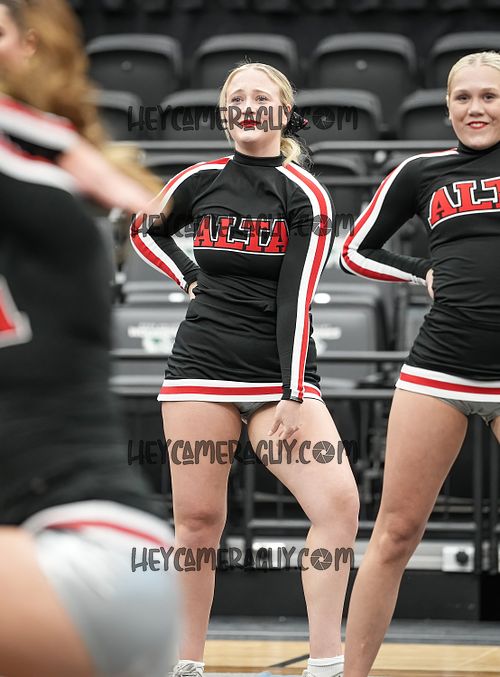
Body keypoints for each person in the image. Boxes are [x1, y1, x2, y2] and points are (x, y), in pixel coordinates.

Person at [131, 61, 359, 677]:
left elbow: (297, 299)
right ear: (224, 113)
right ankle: (186, 664)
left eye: (261, 97)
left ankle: (325, 662)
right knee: (197, 524)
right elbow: (142, 229)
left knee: (337, 505)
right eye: (236, 98)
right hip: (200, 371)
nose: (248, 107)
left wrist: (293, 392)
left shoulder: (304, 192)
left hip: (277, 379)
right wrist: (188, 277)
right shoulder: (200, 178)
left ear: (284, 112)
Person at [0, 2, 178, 675]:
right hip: (77, 559)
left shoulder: (46, 178)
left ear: (29, 46)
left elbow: (140, 199)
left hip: (83, 553)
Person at [339, 51, 500, 677]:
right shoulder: (420, 171)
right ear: (447, 106)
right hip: (439, 371)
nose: (476, 108)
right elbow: (356, 250)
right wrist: (421, 271)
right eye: (463, 97)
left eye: (489, 96)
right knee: (395, 533)